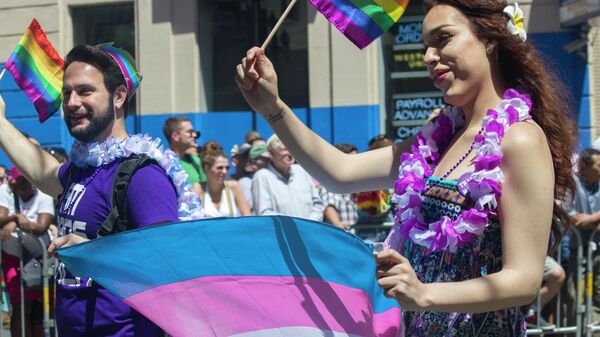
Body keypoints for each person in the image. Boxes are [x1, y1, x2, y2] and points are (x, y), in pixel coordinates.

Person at [235, 0, 576, 334]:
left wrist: (425, 294)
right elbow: (340, 173)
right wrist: (273, 107)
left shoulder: (520, 140)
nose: (429, 57)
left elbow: (524, 280)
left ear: (490, 38)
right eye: (426, 45)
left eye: (443, 39)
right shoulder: (438, 137)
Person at [0, 44, 202, 337]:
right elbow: (44, 173)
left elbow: (168, 260)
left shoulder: (142, 175)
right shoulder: (85, 166)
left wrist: (94, 252)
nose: (71, 102)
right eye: (67, 92)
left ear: (119, 96)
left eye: (85, 91)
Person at [0, 166, 54, 337]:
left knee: (42, 305)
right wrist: (15, 217)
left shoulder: (43, 194)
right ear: (14, 182)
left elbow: (41, 227)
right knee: (20, 304)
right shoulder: (5, 191)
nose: (28, 184)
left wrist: (18, 223)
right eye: (23, 180)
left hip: (39, 256)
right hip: (14, 255)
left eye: (30, 179)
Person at [251, 135, 324, 221]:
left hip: (308, 231)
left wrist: (309, 223)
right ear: (271, 154)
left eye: (291, 149)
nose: (290, 153)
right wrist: (295, 224)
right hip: (281, 233)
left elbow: (318, 204)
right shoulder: (262, 177)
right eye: (285, 149)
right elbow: (264, 212)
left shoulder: (302, 171)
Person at [566, 148, 600, 328]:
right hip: (577, 250)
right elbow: (572, 218)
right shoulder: (573, 184)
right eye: (599, 165)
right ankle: (576, 331)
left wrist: (590, 219)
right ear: (585, 167)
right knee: (575, 295)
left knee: (597, 294)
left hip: (598, 250)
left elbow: (582, 220)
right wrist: (597, 219)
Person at [201, 145, 250, 217]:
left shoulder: (234, 186)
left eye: (227, 168)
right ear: (207, 168)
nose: (224, 172)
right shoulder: (199, 188)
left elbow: (247, 215)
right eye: (220, 168)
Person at [320, 144, 358, 230]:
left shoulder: (357, 183)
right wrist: (337, 223)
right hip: (341, 236)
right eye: (352, 160)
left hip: (360, 236)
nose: (357, 163)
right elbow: (329, 206)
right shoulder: (330, 183)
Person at [163, 117, 205, 195]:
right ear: (175, 136)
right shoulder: (162, 164)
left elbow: (204, 193)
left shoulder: (197, 161)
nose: (195, 135)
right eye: (190, 132)